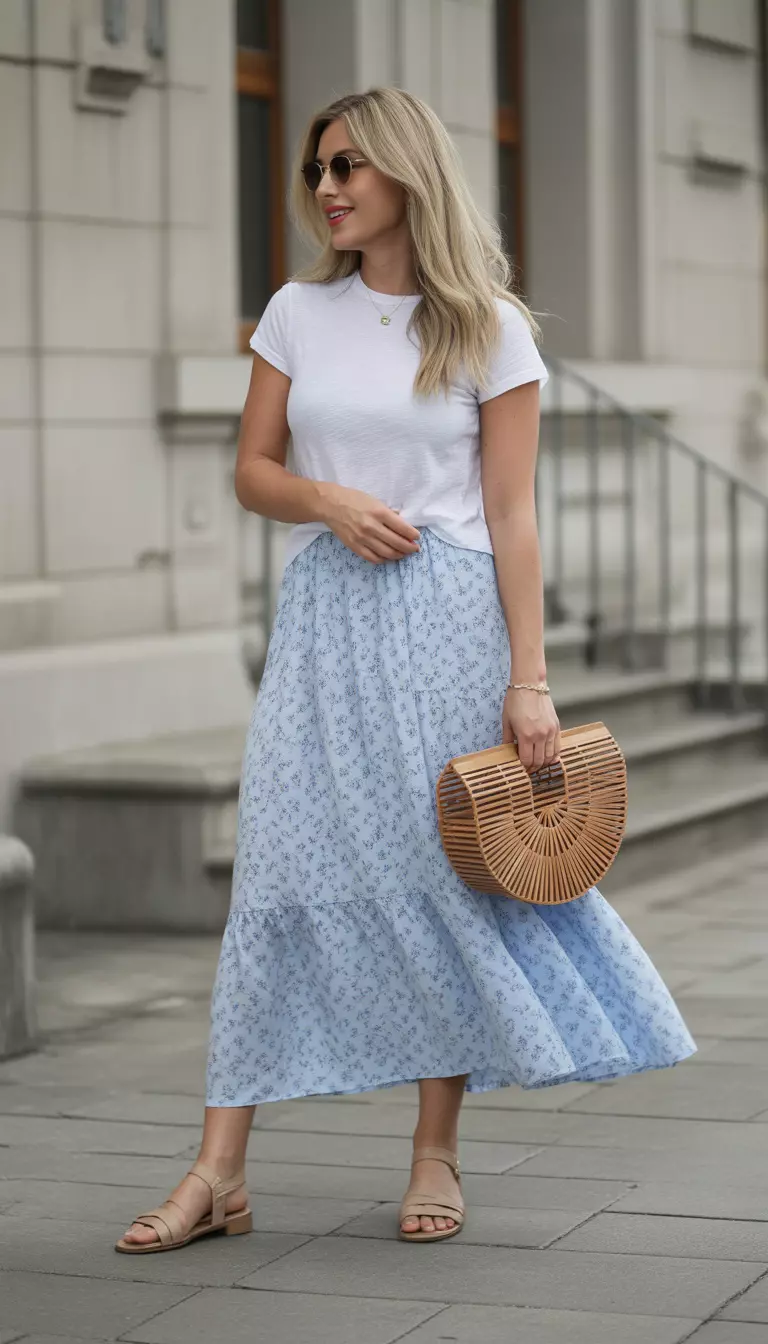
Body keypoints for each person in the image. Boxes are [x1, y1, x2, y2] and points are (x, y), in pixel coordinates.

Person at [116, 86, 695, 1254]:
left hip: (448, 620)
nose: (326, 189)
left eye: (348, 168)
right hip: (327, 622)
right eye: (319, 169)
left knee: (441, 878)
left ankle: (436, 1151)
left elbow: (515, 516)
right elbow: (253, 470)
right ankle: (217, 1172)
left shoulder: (488, 325)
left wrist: (528, 681)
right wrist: (323, 500)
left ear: (405, 176)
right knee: (275, 873)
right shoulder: (293, 313)